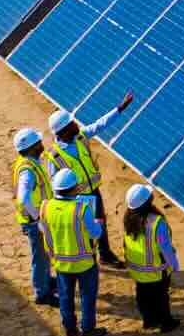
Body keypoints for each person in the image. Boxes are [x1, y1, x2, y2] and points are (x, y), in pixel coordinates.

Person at [45, 91, 134, 267]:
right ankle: (85, 257)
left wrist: (120, 108)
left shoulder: (81, 137)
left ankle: (105, 255)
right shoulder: (54, 156)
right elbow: (54, 183)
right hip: (75, 199)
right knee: (82, 228)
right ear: (62, 131)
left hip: (93, 191)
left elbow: (100, 125)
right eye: (71, 123)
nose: (75, 123)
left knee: (99, 222)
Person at [38, 168, 107, 336]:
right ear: (74, 188)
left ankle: (69, 329)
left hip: (61, 263)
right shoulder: (81, 209)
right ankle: (88, 330)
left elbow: (43, 229)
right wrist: (98, 223)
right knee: (87, 297)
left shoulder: (45, 207)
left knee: (65, 297)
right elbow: (96, 234)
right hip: (84, 263)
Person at [122, 184, 180, 333]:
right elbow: (165, 247)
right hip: (156, 271)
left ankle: (149, 321)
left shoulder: (128, 218)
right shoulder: (156, 222)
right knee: (161, 297)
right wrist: (174, 264)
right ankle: (166, 323)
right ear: (149, 201)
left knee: (143, 296)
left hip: (137, 270)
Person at [12, 128, 57, 307]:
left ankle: (45, 281)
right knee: (40, 257)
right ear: (32, 147)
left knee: (44, 254)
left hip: (33, 220)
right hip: (34, 222)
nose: (41, 144)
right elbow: (24, 198)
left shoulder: (28, 162)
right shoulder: (27, 170)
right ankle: (41, 292)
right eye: (38, 142)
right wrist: (38, 218)